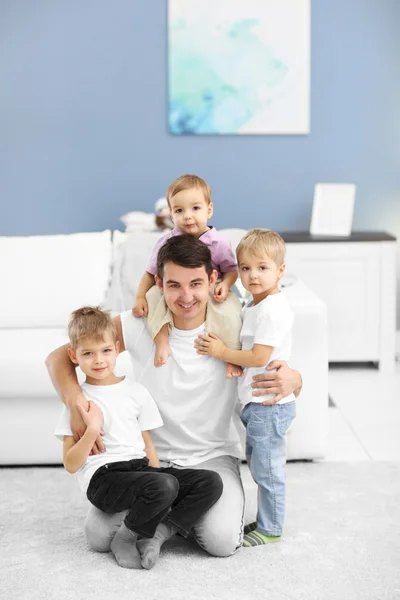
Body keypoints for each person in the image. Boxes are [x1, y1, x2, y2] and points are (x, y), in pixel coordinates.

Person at [46, 234, 302, 558]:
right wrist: (75, 403)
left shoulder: (234, 324)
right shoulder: (140, 323)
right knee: (97, 537)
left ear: (213, 279)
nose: (186, 297)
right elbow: (58, 357)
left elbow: (273, 362)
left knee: (221, 542)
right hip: (147, 461)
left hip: (212, 458)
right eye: (174, 285)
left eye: (196, 283)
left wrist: (296, 380)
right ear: (158, 283)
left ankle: (163, 519)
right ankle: (171, 509)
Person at [54, 306, 223, 569]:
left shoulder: (136, 391)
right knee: (163, 485)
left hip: (140, 470)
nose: (99, 360)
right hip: (104, 478)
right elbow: (71, 464)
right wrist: (90, 431)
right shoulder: (78, 403)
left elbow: (146, 443)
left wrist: (161, 481)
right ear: (73, 356)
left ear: (118, 347)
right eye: (88, 353)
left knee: (209, 481)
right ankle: (125, 537)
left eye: (106, 351)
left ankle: (158, 534)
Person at [195, 229, 296, 547]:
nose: (252, 275)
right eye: (246, 267)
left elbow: (260, 356)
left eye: (262, 267)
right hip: (257, 402)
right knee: (259, 464)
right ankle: (268, 520)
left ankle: (271, 529)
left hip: (269, 404)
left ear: (280, 270)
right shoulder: (255, 305)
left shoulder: (271, 310)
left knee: (267, 469)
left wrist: (222, 353)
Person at [132, 174, 242, 376]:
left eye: (195, 208)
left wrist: (225, 285)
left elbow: (231, 271)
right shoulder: (165, 242)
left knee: (232, 311)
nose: (188, 216)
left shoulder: (218, 242)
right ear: (171, 215)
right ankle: (162, 340)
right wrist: (140, 296)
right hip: (174, 290)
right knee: (153, 297)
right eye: (179, 210)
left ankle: (231, 354)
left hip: (212, 288)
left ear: (209, 210)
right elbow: (150, 273)